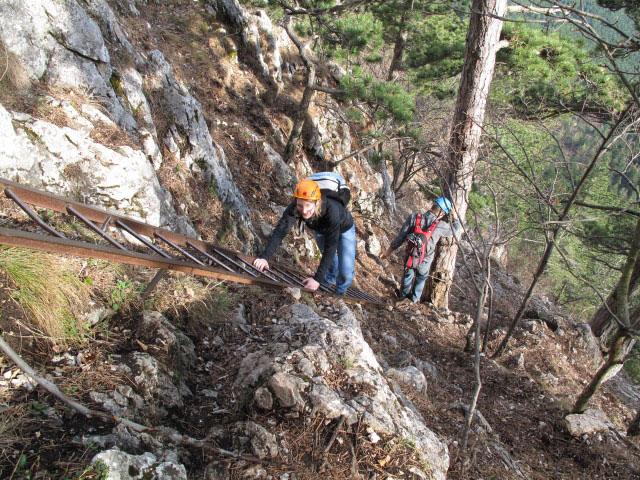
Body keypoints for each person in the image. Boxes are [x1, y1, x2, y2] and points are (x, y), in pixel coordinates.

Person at [253, 178, 356, 294]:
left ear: (317, 202)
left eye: (308, 206)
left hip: (345, 228)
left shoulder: (331, 211)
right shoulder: (295, 207)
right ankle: (329, 279)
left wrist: (317, 279)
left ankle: (340, 292)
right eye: (300, 205)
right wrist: (264, 257)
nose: (304, 210)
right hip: (322, 230)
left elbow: (330, 247)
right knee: (331, 261)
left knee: (346, 272)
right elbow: (281, 230)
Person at [380, 197, 462, 305]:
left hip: (411, 256)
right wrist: (454, 216)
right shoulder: (440, 226)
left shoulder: (414, 217)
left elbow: (401, 237)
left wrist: (388, 251)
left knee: (408, 275)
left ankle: (402, 296)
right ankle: (413, 300)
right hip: (425, 259)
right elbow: (456, 230)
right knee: (421, 278)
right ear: (442, 212)